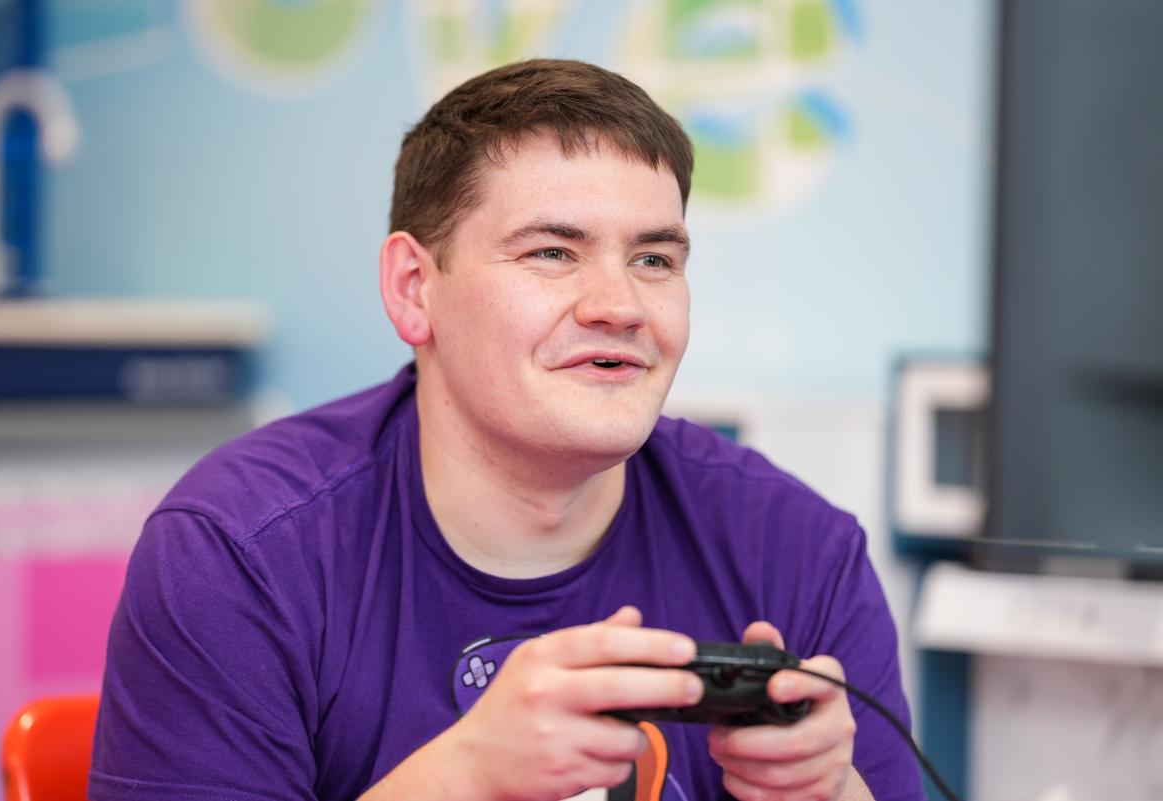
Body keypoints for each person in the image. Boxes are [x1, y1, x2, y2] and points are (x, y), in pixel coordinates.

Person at [91, 59, 923, 801]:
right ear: (415, 288)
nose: (621, 306)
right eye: (553, 253)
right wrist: (464, 778)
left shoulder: (800, 553)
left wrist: (831, 793)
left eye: (655, 259)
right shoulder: (239, 553)